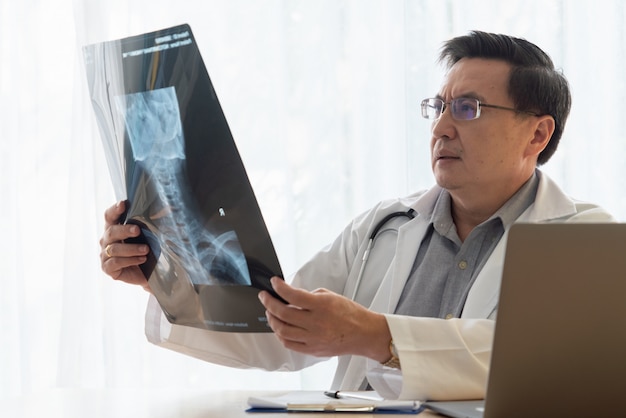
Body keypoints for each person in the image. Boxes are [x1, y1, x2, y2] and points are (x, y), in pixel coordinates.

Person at [100, 31, 614, 401]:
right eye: (437, 107)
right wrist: (162, 275)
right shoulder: (383, 225)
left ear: (538, 134)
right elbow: (281, 333)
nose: (440, 129)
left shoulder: (584, 236)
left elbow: (527, 363)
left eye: (468, 109)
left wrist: (373, 335)